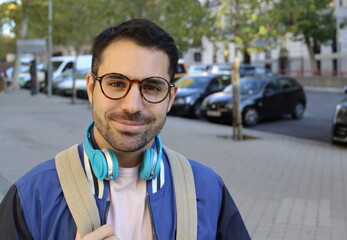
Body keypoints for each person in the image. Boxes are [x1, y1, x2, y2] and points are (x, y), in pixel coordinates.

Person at [0, 19, 251, 240]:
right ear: (91, 88)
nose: (132, 106)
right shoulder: (32, 195)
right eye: (117, 83)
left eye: (152, 87)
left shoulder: (207, 190)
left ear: (170, 98)